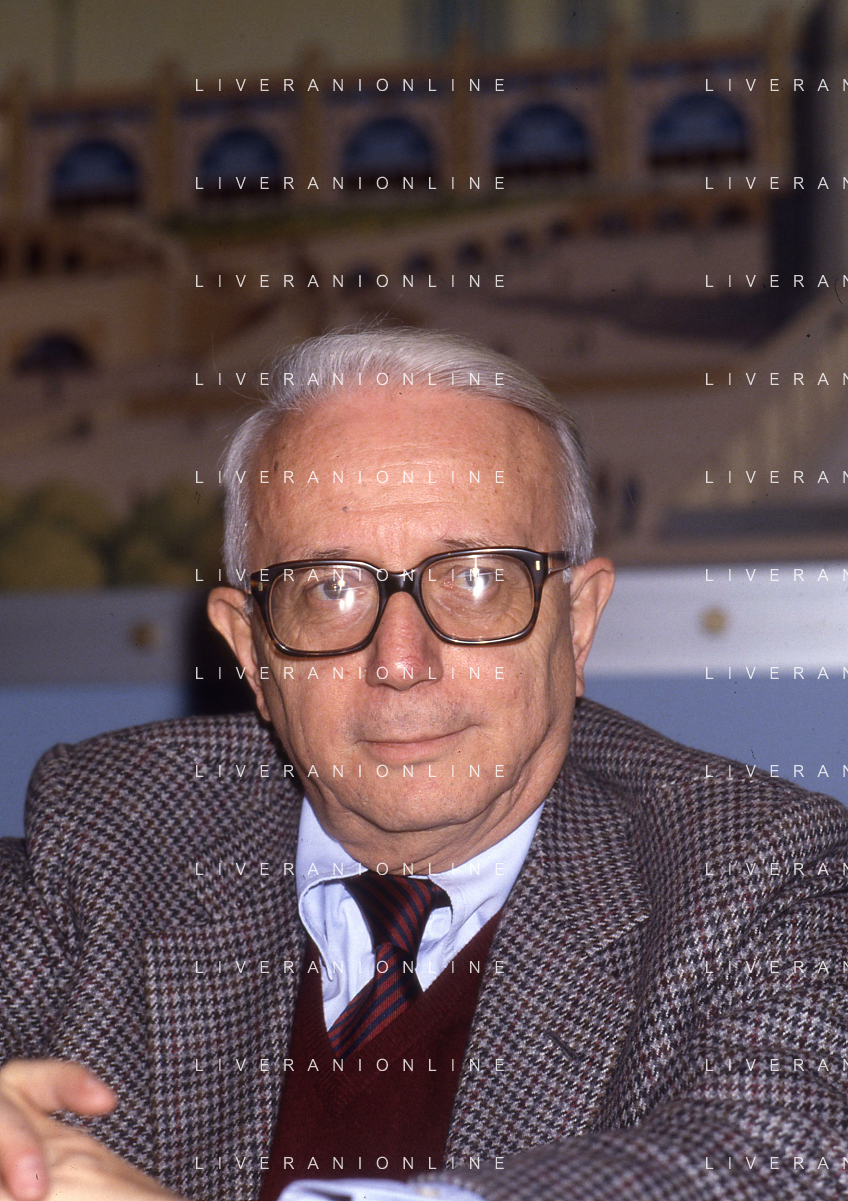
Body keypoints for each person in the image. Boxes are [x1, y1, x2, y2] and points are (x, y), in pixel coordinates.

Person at [1, 327, 847, 1201]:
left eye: (475, 579)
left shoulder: (753, 873)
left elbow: (791, 1157)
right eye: (330, 587)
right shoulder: (110, 838)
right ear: (251, 652)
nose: (401, 661)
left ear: (578, 622)